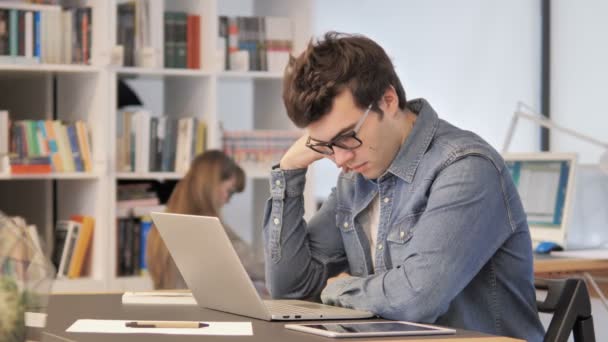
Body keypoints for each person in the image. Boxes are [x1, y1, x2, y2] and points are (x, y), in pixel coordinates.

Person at [263, 32, 544, 341]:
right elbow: (291, 289)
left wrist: (339, 287)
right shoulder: (356, 178)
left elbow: (416, 299)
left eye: (346, 137)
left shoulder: (466, 168)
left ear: (388, 99)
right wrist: (289, 170)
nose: (340, 159)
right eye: (325, 146)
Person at [146, 150, 265, 290]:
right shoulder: (207, 229)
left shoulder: (162, 226)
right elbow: (257, 267)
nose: (227, 201)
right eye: (229, 191)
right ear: (212, 185)